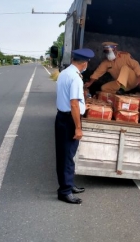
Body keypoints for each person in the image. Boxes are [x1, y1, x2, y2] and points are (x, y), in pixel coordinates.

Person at [55, 48, 95, 204]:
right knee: (66, 156)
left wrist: (84, 107)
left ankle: (69, 185)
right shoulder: (76, 78)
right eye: (87, 64)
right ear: (84, 63)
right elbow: (74, 103)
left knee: (67, 155)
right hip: (69, 120)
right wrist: (78, 127)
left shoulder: (65, 73)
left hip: (62, 117)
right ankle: (64, 191)